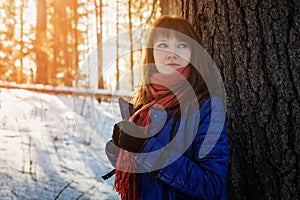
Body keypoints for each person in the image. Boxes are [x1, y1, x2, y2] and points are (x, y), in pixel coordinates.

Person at [104, 15, 229, 200]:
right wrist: (118, 149)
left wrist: (146, 148)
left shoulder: (206, 107)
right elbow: (140, 175)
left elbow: (211, 185)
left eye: (181, 45)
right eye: (163, 45)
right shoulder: (143, 104)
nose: (172, 53)